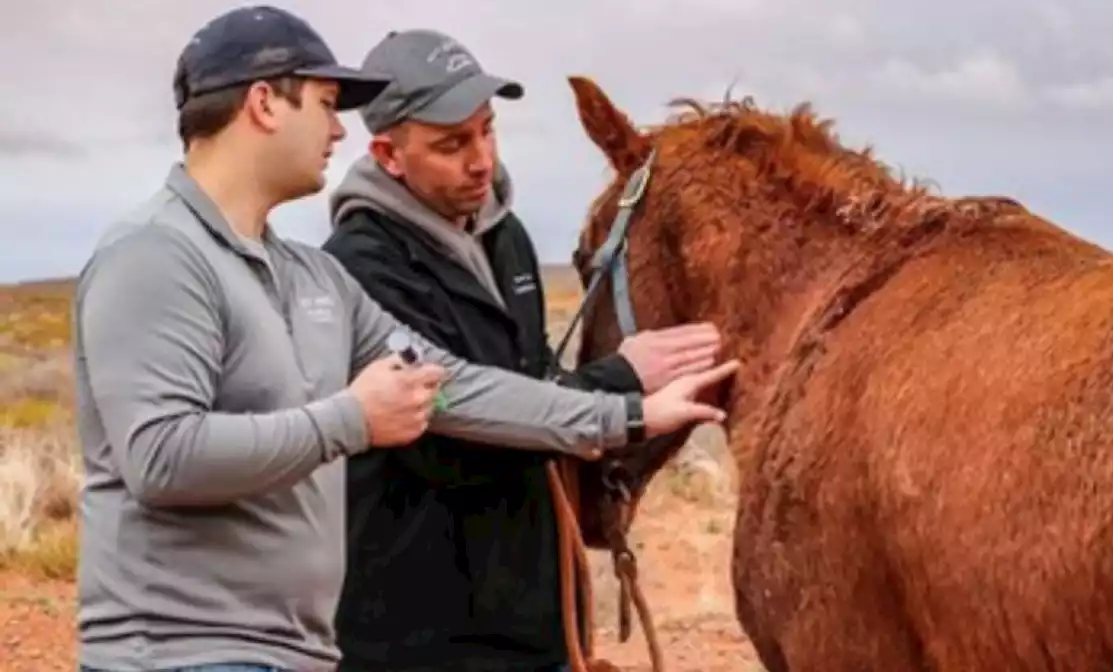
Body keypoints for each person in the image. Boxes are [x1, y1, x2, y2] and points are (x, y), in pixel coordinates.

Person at [72, 7, 739, 672]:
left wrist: (626, 413)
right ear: (264, 104)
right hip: (179, 658)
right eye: (329, 105)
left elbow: (450, 386)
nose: (340, 130)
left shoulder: (315, 278)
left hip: (295, 655)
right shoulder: (155, 256)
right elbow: (159, 457)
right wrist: (350, 420)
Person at [319, 29, 725, 672]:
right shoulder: (363, 267)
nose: (481, 159)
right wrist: (621, 382)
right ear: (388, 155)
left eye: (487, 130)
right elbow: (453, 434)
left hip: (530, 617)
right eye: (452, 144)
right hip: (419, 633)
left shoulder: (504, 238)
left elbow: (530, 378)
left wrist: (606, 381)